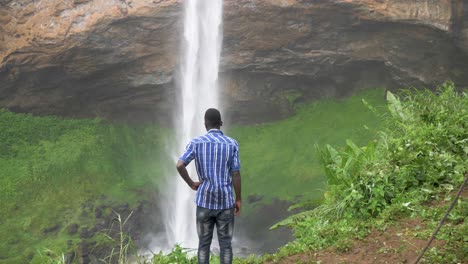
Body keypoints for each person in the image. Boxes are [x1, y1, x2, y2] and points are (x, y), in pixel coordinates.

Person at [176, 108, 242, 264]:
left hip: (204, 201)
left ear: (205, 124)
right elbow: (236, 174)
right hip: (225, 203)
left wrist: (191, 183)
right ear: (221, 123)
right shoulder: (232, 144)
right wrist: (238, 199)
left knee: (203, 245)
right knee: (226, 245)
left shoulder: (196, 143)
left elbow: (180, 165)